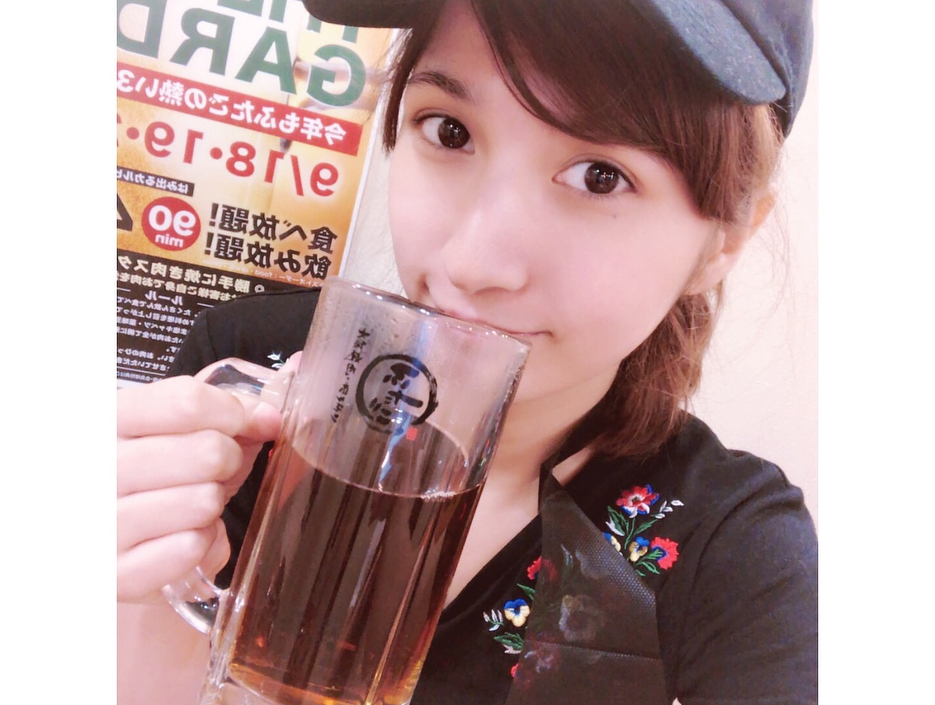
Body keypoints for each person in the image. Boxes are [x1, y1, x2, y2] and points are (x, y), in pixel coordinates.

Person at [117, 1, 817, 703]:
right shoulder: (245, 362)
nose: (472, 262)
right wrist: (141, 593)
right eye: (448, 131)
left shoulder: (735, 550)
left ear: (724, 240)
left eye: (599, 176)